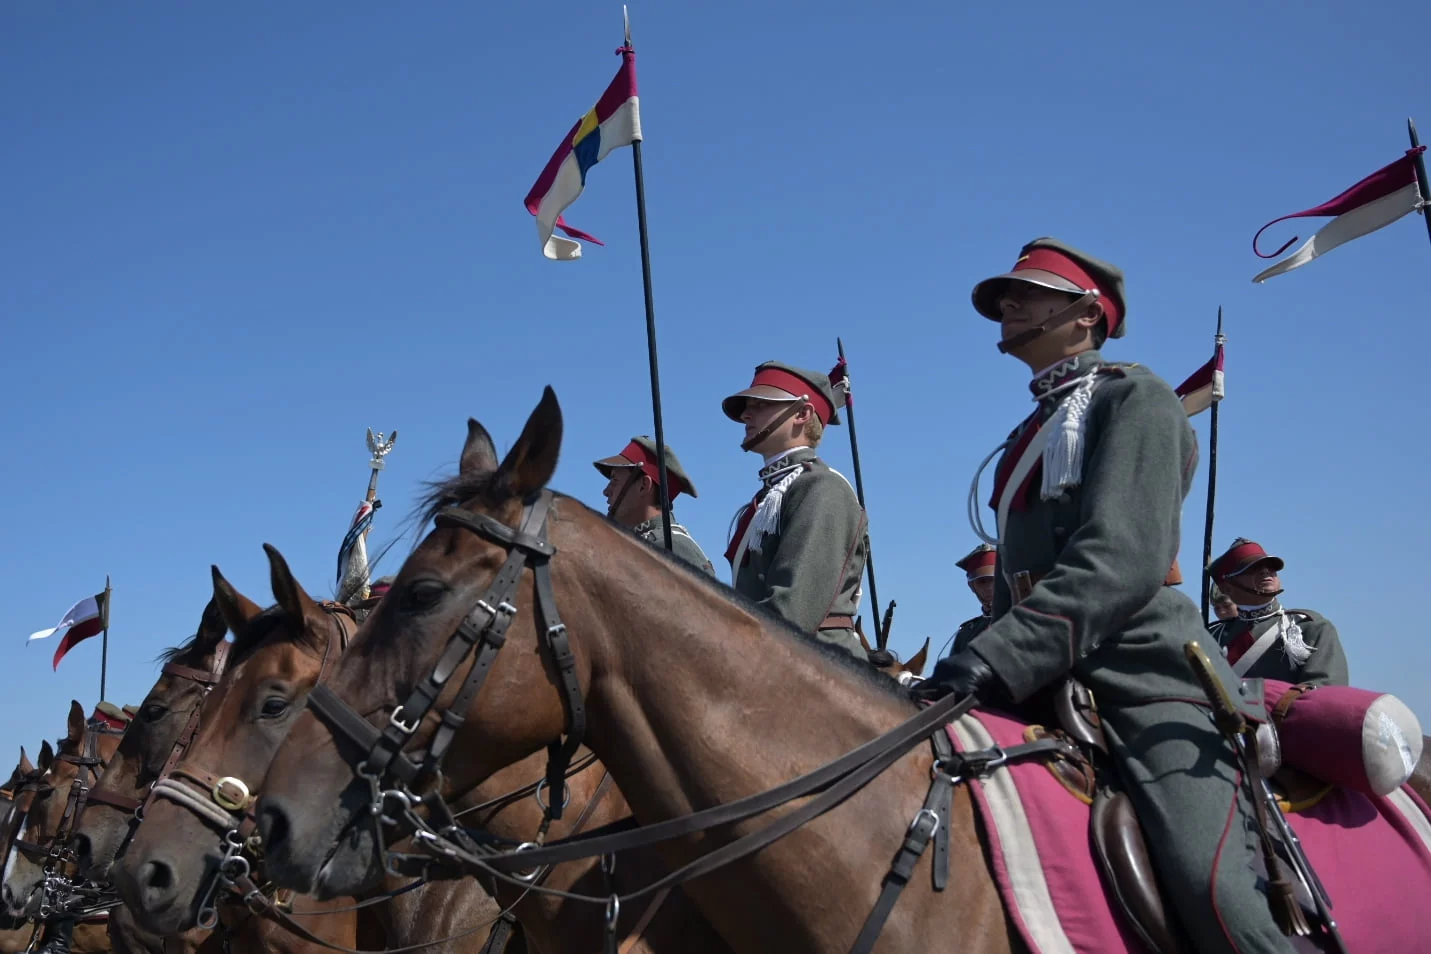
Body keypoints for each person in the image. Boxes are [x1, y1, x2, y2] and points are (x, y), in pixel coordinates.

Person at [914, 238, 1297, 953]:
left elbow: (1120, 561)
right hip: (1039, 677)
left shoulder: (1135, 397)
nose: (1008, 304)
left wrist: (999, 656)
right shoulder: (1033, 426)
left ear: (1088, 312)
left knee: (1214, 893)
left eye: (1027, 292)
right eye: (1005, 296)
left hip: (1139, 678)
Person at [722, 361, 866, 659]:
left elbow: (791, 614)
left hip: (823, 668)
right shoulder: (772, 494)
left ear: (802, 413)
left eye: (761, 404)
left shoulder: (820, 487)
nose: (747, 414)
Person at [1208, 538, 1348, 685]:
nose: (1265, 570)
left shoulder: (1310, 628)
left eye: (1270, 566)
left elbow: (1325, 694)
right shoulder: (1212, 637)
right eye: (1252, 568)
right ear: (1227, 588)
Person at [593, 436, 715, 575]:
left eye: (615, 480)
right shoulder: (640, 545)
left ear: (644, 486)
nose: (606, 491)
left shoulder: (673, 547)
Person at [948, 543, 996, 656]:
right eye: (982, 582)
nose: (989, 587)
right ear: (971, 586)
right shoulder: (966, 633)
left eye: (993, 580)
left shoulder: (1020, 621)